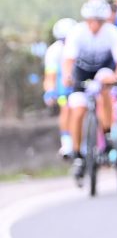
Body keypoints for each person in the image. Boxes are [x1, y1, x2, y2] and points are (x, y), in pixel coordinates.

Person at [62, 0, 117, 180]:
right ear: (86, 20)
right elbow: (68, 61)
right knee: (77, 109)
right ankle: (77, 153)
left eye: (99, 21)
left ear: (105, 21)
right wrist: (67, 76)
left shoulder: (112, 33)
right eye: (91, 20)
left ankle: (106, 135)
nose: (95, 25)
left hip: (103, 70)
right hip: (81, 72)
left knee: (106, 85)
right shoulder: (77, 32)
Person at [43, 17, 78, 159]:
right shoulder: (54, 51)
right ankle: (67, 143)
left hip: (81, 81)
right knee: (66, 108)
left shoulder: (80, 45)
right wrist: (50, 91)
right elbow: (50, 76)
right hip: (64, 87)